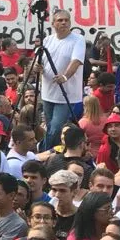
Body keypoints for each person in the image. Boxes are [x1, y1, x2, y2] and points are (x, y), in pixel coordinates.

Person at [39, 9, 86, 151]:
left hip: (67, 94)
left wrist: (65, 76)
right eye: (60, 20)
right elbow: (40, 61)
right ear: (53, 23)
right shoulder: (47, 40)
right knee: (50, 128)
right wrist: (37, 68)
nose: (64, 22)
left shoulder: (78, 40)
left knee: (56, 128)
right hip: (48, 93)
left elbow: (76, 61)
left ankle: (44, 152)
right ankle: (55, 153)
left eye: (66, 20)